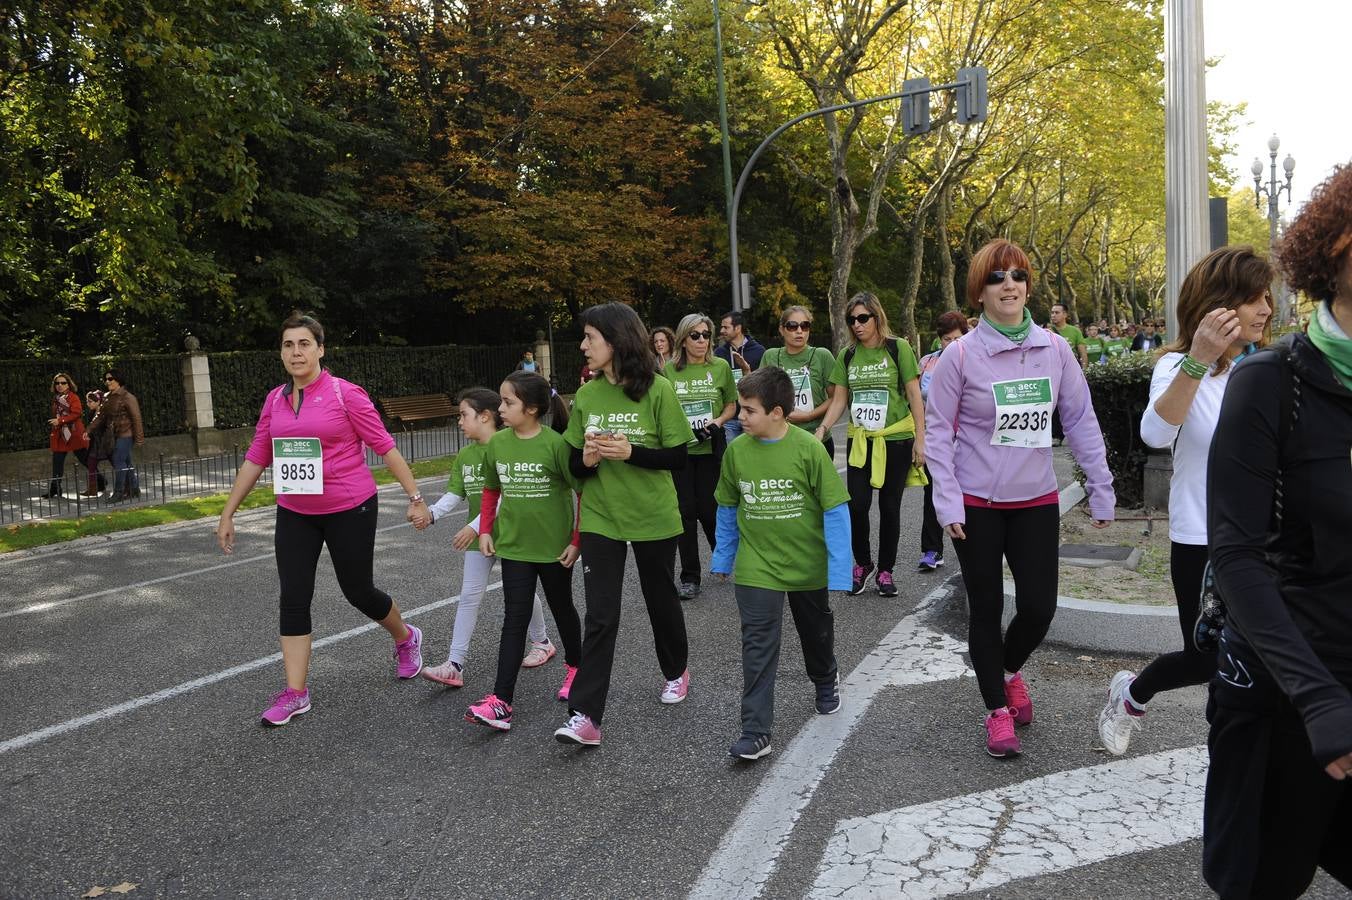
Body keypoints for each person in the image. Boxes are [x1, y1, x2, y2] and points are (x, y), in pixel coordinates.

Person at [1201, 164, 1352, 899]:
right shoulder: (1271, 382)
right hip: (1282, 695)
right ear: (1339, 250)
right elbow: (1236, 555)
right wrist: (1317, 697)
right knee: (1262, 884)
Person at [925, 239, 1115, 758]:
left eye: (1017, 275)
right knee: (985, 608)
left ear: (1028, 286)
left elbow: (1079, 419)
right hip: (976, 505)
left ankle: (1008, 671)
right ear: (979, 292)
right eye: (996, 277)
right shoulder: (959, 356)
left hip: (1035, 501)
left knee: (1038, 608)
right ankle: (995, 711)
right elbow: (938, 432)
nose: (1009, 285)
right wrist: (947, 502)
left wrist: (1101, 488)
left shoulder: (1054, 350)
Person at [1097, 246, 1274, 756]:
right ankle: (1129, 695)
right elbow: (1155, 433)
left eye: (1268, 298)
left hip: (1264, 542)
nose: (1266, 309)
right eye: (1254, 298)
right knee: (1206, 659)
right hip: (1202, 538)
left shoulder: (1265, 369)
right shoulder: (1178, 366)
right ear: (1220, 305)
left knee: (1262, 656)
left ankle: (1242, 764)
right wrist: (1197, 360)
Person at [215, 312, 429, 726]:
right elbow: (258, 455)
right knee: (293, 596)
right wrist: (228, 512)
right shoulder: (275, 399)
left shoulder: (345, 394)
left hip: (350, 507)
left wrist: (415, 497)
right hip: (296, 511)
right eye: (288, 345)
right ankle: (296, 692)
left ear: (320, 349)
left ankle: (406, 637)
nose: (296, 352)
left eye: (304, 344)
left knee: (358, 591)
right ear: (281, 352)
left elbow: (384, 447)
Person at [553, 302, 694, 747]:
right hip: (601, 518)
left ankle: (675, 670)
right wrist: (589, 460)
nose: (583, 345)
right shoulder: (588, 395)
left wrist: (632, 453)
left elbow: (678, 457)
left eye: (590, 337)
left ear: (615, 340)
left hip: (653, 515)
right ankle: (586, 716)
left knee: (660, 597)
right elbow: (574, 462)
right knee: (600, 615)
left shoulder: (658, 390)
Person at [712, 367, 852, 761]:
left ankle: (825, 678)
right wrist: (723, 557)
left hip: (806, 565)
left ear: (777, 412)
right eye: (740, 408)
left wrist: (840, 569)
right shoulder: (737, 452)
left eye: (748, 410)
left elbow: (835, 510)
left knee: (816, 631)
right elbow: (727, 506)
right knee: (757, 644)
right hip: (757, 566)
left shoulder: (808, 448)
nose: (740, 417)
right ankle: (755, 730)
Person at [465, 372, 583, 731]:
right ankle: (501, 701)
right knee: (513, 620)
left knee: (563, 609)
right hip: (514, 548)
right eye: (501, 401)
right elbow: (490, 490)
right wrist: (485, 530)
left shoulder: (556, 445)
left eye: (508, 402)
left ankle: (577, 669)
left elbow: (584, 494)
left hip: (553, 550)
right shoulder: (498, 445)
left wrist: (577, 541)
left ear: (531, 409)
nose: (500, 408)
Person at [419, 387, 557, 689]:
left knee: (519, 592)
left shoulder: (506, 446)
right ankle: (454, 663)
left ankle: (542, 641)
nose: (459, 421)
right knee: (469, 596)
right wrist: (431, 514)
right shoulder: (466, 455)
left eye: (463, 415)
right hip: (479, 537)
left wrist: (476, 525)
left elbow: (505, 494)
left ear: (484, 417)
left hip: (509, 533)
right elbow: (455, 492)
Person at [815, 292, 925, 598]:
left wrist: (921, 439)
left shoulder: (897, 348)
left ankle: (886, 571)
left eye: (863, 318)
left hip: (895, 439)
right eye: (852, 320)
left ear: (877, 317)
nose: (857, 325)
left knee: (890, 507)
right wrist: (823, 427)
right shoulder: (848, 355)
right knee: (857, 505)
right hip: (861, 440)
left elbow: (915, 395)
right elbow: (839, 399)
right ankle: (863, 564)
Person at [664, 313, 737, 599]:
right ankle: (690, 577)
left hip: (709, 450)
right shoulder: (669, 371)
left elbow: (732, 405)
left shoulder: (719, 367)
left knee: (710, 510)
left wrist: (716, 423)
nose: (702, 340)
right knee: (685, 513)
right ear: (683, 339)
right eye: (695, 335)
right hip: (681, 452)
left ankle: (723, 561)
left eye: (706, 335)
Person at [915, 311, 969, 571]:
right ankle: (931, 550)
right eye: (947, 339)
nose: (952, 344)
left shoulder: (974, 360)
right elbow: (914, 399)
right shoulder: (927, 362)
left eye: (957, 338)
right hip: (936, 437)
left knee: (968, 494)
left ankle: (971, 547)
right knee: (933, 491)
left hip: (968, 439)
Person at [758, 305, 838, 458]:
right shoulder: (770, 356)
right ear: (782, 329)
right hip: (779, 439)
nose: (799, 331)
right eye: (792, 326)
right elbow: (761, 396)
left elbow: (836, 398)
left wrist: (809, 416)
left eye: (805, 326)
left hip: (816, 438)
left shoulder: (822, 355)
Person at [714, 309, 765, 443]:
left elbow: (765, 384)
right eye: (721, 327)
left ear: (738, 328)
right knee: (732, 456)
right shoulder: (718, 353)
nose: (721, 331)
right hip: (729, 417)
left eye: (726, 327)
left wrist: (746, 370)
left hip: (752, 415)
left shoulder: (759, 351)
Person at [93, 369, 144, 501]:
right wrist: (88, 430)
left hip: (126, 434)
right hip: (113, 434)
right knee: (126, 462)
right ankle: (134, 489)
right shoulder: (107, 396)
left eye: (110, 379)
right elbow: (100, 416)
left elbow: (136, 418)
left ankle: (119, 492)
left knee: (118, 461)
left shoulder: (128, 397)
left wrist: (139, 438)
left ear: (118, 380)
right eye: (106, 379)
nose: (107, 382)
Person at [44, 373, 92, 498]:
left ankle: (100, 481)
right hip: (61, 435)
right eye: (57, 383)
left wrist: (60, 421)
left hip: (74, 434)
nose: (60, 385)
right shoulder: (56, 398)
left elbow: (77, 413)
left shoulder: (73, 397)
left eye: (63, 383)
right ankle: (55, 488)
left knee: (85, 460)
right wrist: (58, 422)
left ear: (68, 384)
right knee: (57, 462)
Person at [80, 389, 112, 497]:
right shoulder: (92, 413)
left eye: (90, 401)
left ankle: (127, 485)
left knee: (116, 463)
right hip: (95, 444)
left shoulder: (104, 413)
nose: (88, 404)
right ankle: (93, 489)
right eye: (87, 401)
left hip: (106, 444)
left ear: (98, 401)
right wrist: (89, 435)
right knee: (91, 463)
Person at [1049, 303, 1088, 368]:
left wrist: (1084, 371)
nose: (1053, 315)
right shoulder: (1046, 332)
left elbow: (1083, 353)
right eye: (1052, 313)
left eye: (1057, 313)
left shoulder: (1075, 331)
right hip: (1053, 368)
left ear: (1065, 315)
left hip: (1071, 368)